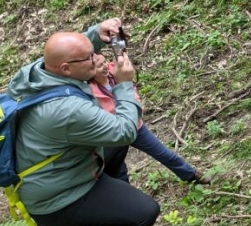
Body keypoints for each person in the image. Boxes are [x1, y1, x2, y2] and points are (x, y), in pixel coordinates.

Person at [8, 18, 160, 226]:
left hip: (52, 168)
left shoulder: (31, 75)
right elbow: (126, 131)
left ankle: (111, 196)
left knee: (114, 144)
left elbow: (63, 56)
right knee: (146, 212)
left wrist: (96, 35)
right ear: (66, 69)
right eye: (90, 57)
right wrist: (123, 85)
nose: (97, 59)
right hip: (56, 196)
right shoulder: (67, 109)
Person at [89, 54, 210, 184]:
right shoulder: (89, 90)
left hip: (136, 127)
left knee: (163, 153)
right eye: (100, 66)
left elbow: (131, 90)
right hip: (116, 132)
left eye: (105, 62)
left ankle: (192, 175)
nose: (105, 66)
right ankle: (127, 193)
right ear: (90, 70)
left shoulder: (117, 72)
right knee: (118, 168)